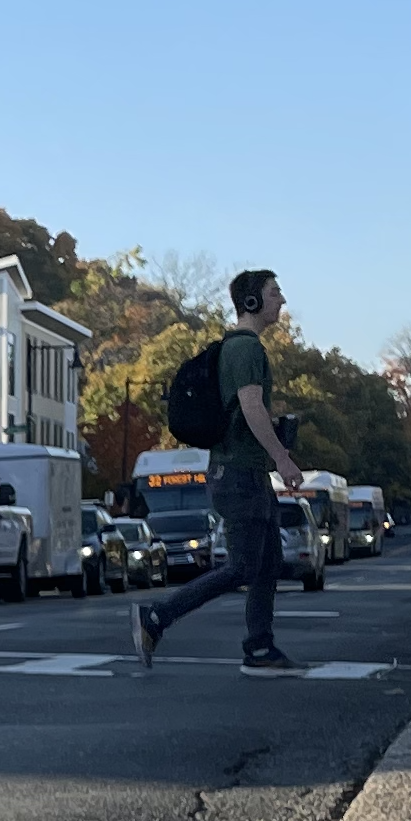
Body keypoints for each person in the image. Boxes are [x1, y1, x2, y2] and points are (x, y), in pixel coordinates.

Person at [135, 270, 300, 676]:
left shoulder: (246, 348)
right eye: (274, 292)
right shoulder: (245, 349)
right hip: (239, 474)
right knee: (243, 566)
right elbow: (251, 406)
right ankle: (156, 617)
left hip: (248, 475)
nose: (282, 300)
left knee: (268, 562)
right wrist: (282, 456)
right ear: (251, 303)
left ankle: (260, 647)